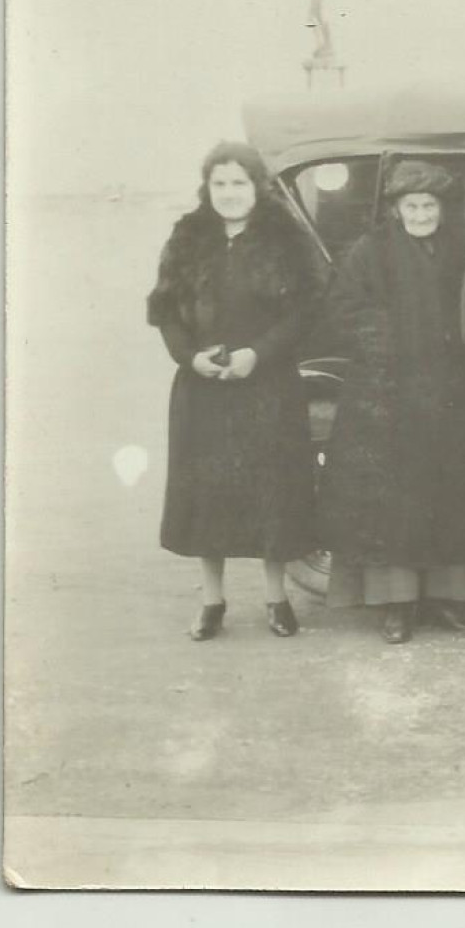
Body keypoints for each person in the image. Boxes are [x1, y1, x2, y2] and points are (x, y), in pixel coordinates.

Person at [146, 141, 324, 641]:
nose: (229, 194)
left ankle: (276, 598)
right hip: (203, 390)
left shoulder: (285, 237)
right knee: (206, 494)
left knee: (273, 493)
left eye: (239, 183)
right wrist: (191, 357)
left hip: (267, 385)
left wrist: (257, 354)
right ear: (208, 188)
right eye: (220, 184)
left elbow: (307, 309)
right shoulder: (187, 237)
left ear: (257, 187)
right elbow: (166, 310)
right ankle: (212, 601)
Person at [318, 160, 465, 644]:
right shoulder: (368, 252)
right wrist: (390, 346)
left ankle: (451, 597)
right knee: (392, 503)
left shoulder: (464, 249)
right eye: (411, 206)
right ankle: (396, 603)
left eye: (429, 205)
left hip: (453, 393)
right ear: (396, 210)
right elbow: (343, 311)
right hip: (386, 394)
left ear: (442, 208)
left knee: (453, 496)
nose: (421, 214)